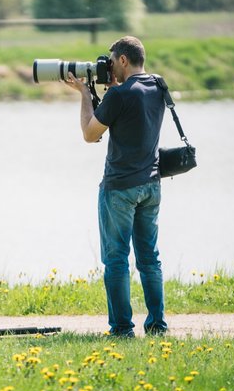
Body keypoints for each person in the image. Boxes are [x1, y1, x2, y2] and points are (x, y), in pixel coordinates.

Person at [65, 36, 168, 338]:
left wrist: (85, 93)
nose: (109, 66)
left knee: (116, 259)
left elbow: (89, 133)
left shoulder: (119, 96)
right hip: (151, 185)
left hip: (120, 188)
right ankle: (157, 325)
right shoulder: (158, 86)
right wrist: (111, 89)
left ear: (122, 60)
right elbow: (132, 111)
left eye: (111, 61)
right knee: (149, 258)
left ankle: (122, 328)